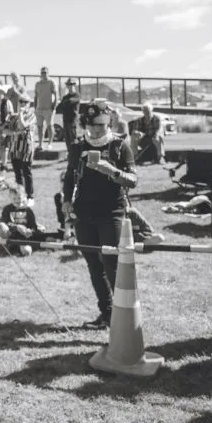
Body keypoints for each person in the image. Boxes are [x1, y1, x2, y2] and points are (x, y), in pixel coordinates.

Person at [62, 100, 139, 329]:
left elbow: (133, 180)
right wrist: (66, 200)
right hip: (84, 214)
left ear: (109, 123)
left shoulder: (119, 145)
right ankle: (107, 313)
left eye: (101, 125)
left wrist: (111, 170)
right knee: (94, 266)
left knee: (112, 264)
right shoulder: (77, 146)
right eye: (92, 124)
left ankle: (125, 315)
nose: (96, 129)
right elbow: (69, 175)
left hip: (112, 212)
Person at [2, 91, 36, 205]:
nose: (22, 104)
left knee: (26, 171)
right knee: (17, 173)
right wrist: (14, 133)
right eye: (21, 101)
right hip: (14, 147)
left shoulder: (31, 115)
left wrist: (21, 113)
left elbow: (23, 125)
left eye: (25, 102)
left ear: (29, 104)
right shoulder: (11, 116)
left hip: (26, 146)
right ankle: (20, 195)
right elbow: (4, 130)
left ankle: (30, 196)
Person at [0, 183, 47, 255]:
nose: (17, 201)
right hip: (11, 235)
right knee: (1, 225)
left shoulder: (28, 210)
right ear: (10, 197)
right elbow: (7, 222)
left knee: (26, 251)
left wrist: (30, 231)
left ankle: (17, 247)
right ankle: (8, 244)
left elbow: (33, 225)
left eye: (19, 198)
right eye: (14, 198)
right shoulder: (7, 209)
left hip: (23, 237)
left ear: (24, 197)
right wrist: (17, 227)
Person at [34, 66, 58, 150]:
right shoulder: (37, 84)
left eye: (45, 72)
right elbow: (36, 96)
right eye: (42, 72)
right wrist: (35, 108)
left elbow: (56, 95)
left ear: (48, 73)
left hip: (49, 109)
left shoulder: (52, 82)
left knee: (50, 126)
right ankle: (40, 144)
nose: (43, 74)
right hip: (39, 109)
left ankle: (50, 144)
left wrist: (54, 106)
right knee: (39, 127)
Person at [56, 78, 81, 151]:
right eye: (69, 85)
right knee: (67, 139)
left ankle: (75, 154)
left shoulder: (77, 95)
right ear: (67, 86)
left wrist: (65, 103)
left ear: (74, 85)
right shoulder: (65, 97)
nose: (70, 86)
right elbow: (59, 107)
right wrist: (65, 102)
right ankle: (69, 154)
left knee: (73, 138)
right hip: (65, 119)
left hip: (72, 120)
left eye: (72, 84)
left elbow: (70, 101)